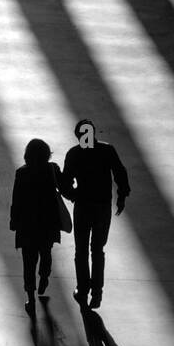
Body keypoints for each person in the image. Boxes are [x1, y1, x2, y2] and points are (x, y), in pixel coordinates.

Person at [60, 118, 130, 309]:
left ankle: (83, 289)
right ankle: (97, 293)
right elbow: (120, 173)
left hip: (83, 206)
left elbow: (65, 183)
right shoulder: (107, 150)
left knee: (81, 250)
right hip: (102, 206)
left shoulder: (74, 154)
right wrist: (122, 196)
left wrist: (73, 195)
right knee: (97, 250)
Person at [10, 138, 65, 315]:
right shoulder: (52, 170)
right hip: (48, 222)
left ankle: (31, 298)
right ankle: (44, 276)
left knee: (28, 261)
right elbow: (64, 187)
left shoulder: (22, 173)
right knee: (46, 252)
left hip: (27, 224)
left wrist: (14, 221)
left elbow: (16, 200)